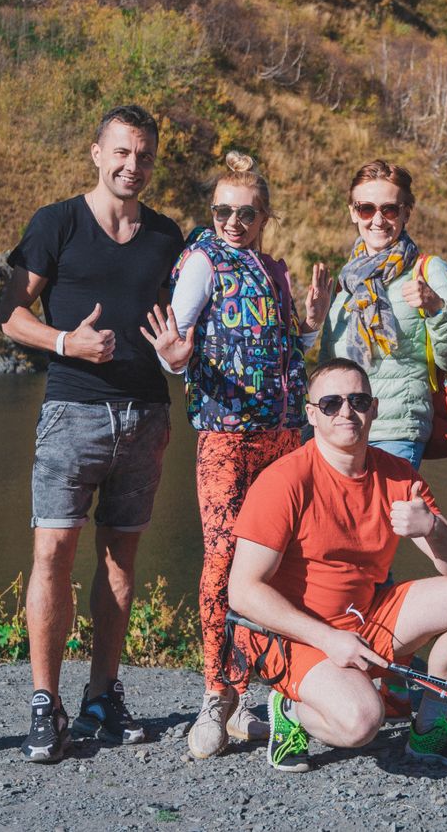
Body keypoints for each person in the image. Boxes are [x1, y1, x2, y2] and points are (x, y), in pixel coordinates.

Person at [0, 104, 184, 763]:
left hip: (147, 415)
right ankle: (45, 703)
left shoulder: (169, 237)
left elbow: (184, 322)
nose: (132, 165)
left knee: (121, 560)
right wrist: (63, 342)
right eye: (122, 152)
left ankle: (102, 696)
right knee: (52, 553)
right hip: (73, 411)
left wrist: (182, 353)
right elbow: (8, 313)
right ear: (96, 153)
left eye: (144, 156)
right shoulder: (56, 223)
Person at [139, 152, 329, 760]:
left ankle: (265, 693)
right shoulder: (201, 261)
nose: (232, 222)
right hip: (226, 436)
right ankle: (217, 695)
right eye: (222, 211)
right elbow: (179, 347)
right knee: (223, 558)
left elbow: (284, 353)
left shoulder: (272, 269)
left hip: (282, 436)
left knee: (277, 563)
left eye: (245, 213)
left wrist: (311, 327)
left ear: (264, 216)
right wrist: (171, 356)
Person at [227, 358, 447, 773]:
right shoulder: (284, 481)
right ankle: (291, 708)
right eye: (331, 403)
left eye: (357, 400)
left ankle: (431, 729)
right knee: (360, 724)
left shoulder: (399, 477)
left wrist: (432, 530)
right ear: (312, 414)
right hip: (291, 634)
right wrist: (327, 639)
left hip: (362, 619)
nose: (346, 413)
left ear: (373, 409)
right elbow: (243, 593)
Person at [319, 159, 447, 469]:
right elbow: (328, 364)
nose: (378, 220)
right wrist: (312, 323)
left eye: (389, 209)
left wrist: (436, 309)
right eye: (366, 209)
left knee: (384, 518)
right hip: (340, 429)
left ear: (405, 213)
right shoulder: (346, 280)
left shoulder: (430, 270)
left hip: (396, 431)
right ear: (353, 212)